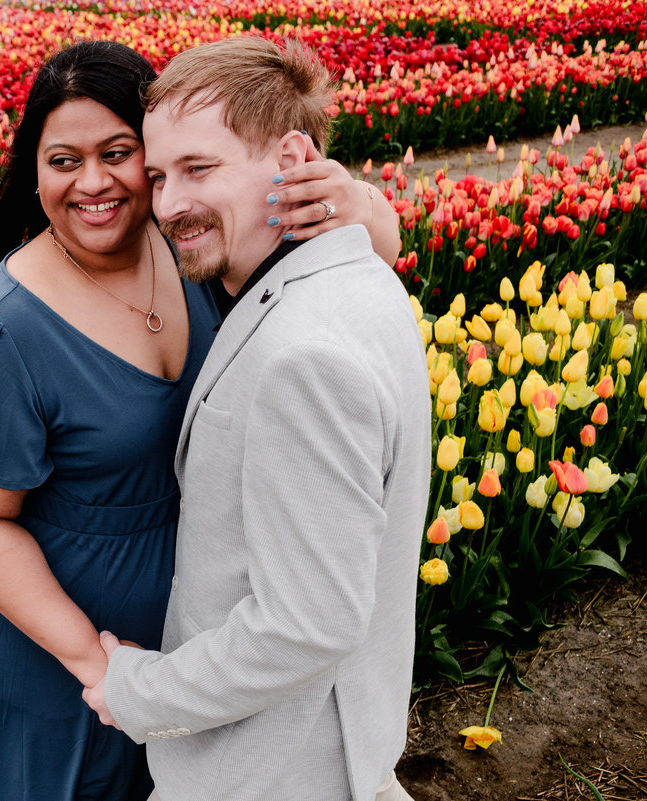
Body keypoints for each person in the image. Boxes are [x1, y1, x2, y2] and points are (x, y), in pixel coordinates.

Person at [0, 40, 402, 801]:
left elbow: (367, 253)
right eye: (63, 160)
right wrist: (98, 664)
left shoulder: (189, 246)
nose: (92, 182)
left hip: (166, 659)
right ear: (35, 169)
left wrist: (354, 203)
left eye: (118, 153)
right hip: (37, 660)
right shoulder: (1, 327)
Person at [82, 36, 431, 801]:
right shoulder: (361, 272)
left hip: (273, 769)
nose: (169, 203)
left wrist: (141, 692)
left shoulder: (302, 355)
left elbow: (308, 621)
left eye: (200, 168)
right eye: (160, 175)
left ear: (295, 156)